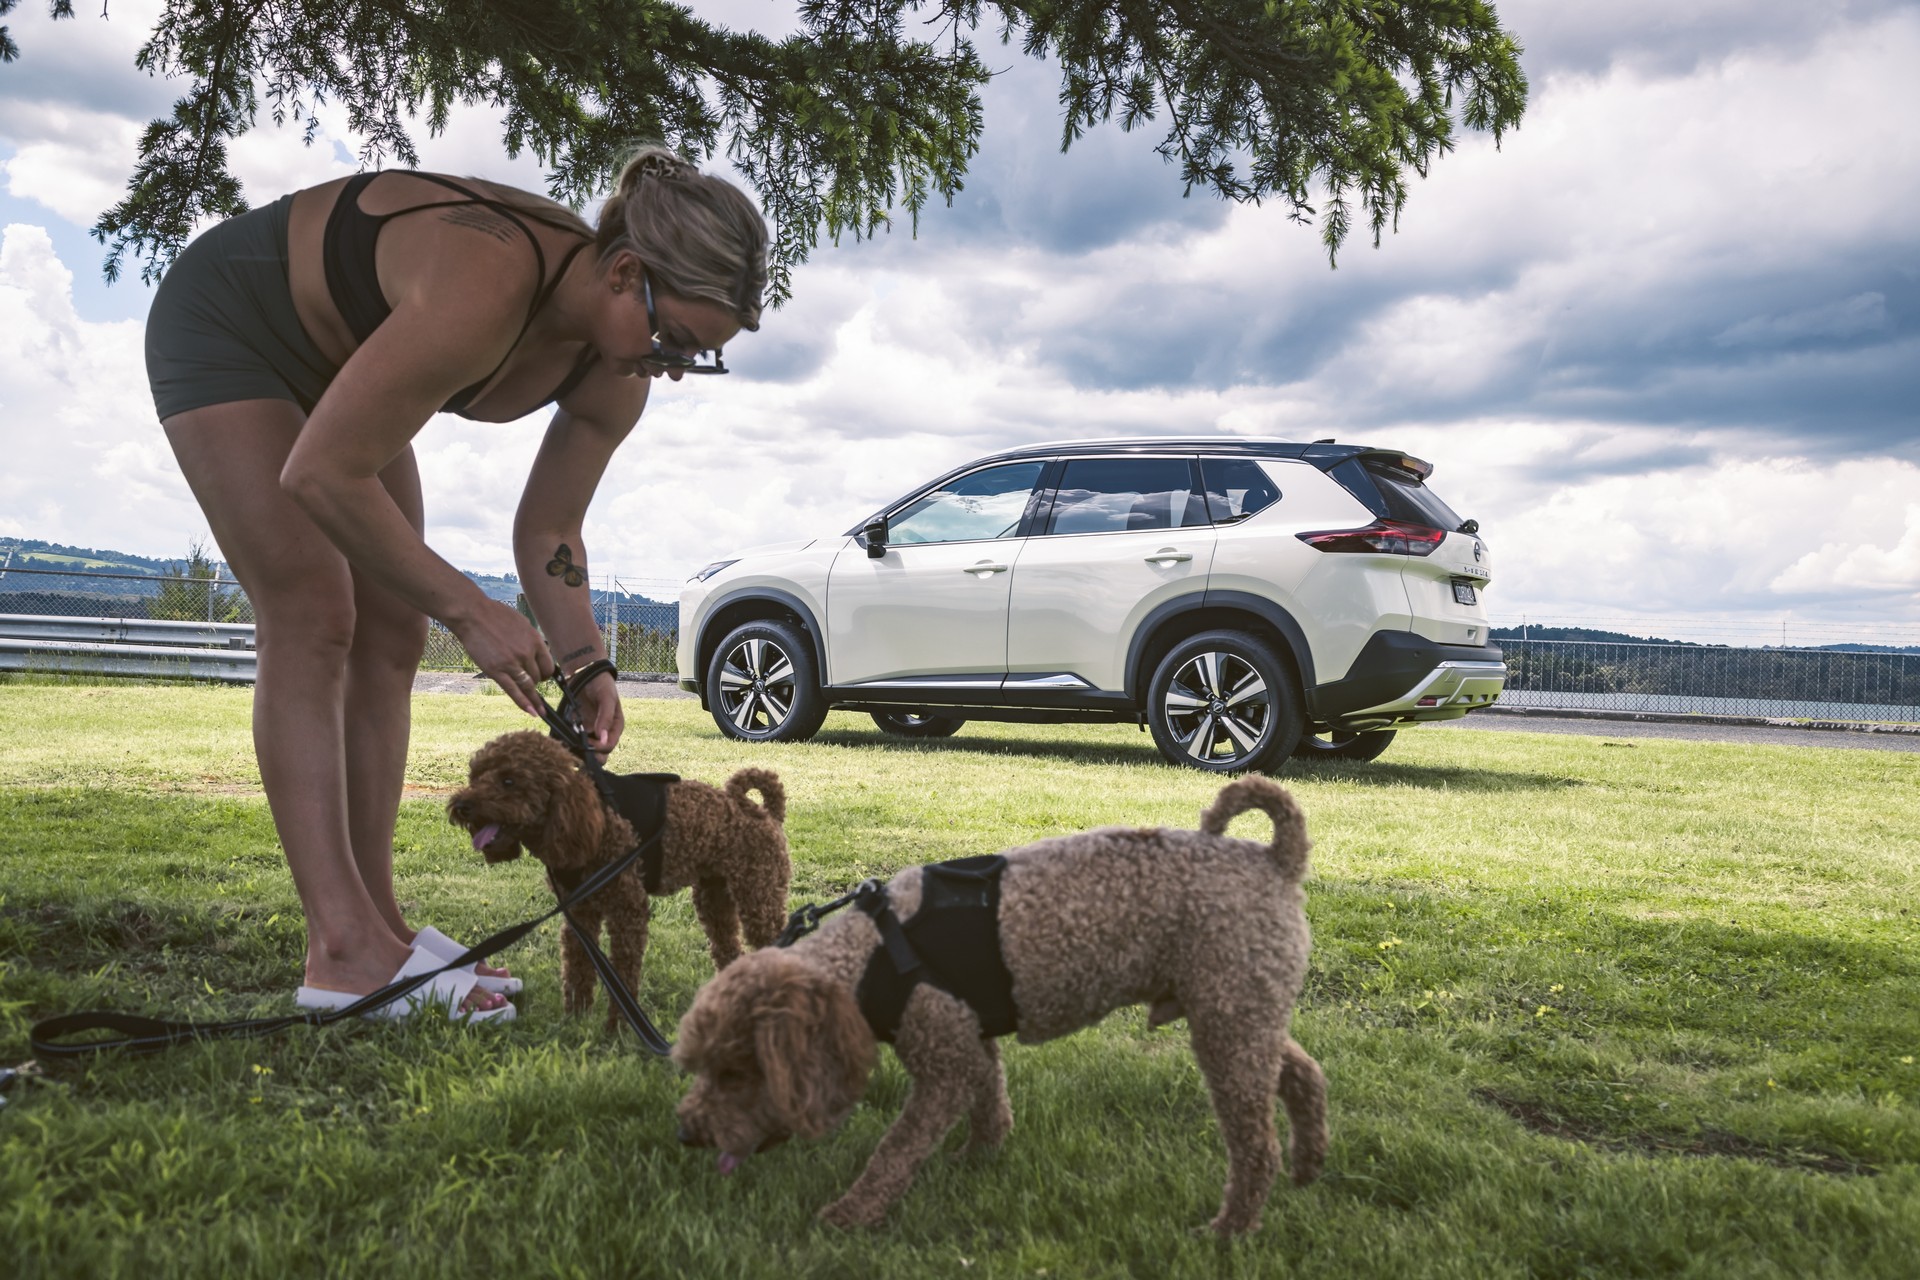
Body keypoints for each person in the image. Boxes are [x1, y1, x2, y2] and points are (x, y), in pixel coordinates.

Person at [144, 145, 768, 1019]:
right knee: (315, 609)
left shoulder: (615, 378)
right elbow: (322, 473)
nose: (669, 367)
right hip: (234, 319)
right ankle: (341, 950)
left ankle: (381, 926)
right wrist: (470, 611)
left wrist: (589, 664)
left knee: (393, 628)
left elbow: (549, 531)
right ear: (626, 273)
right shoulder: (489, 279)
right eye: (675, 341)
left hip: (338, 362)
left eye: (699, 357)